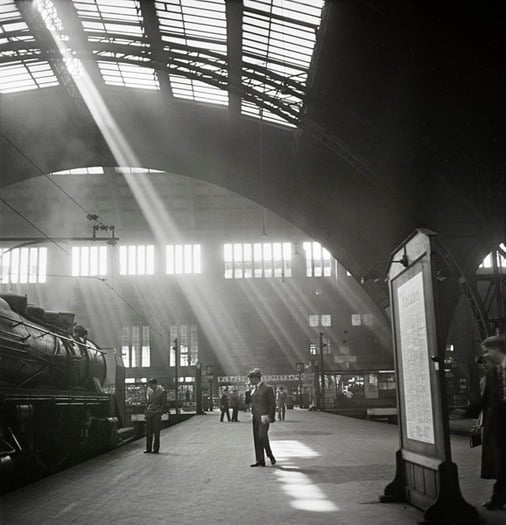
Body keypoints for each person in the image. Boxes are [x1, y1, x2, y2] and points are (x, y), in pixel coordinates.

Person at [479, 335, 506, 510]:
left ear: (497, 349)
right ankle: (497, 499)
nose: (486, 355)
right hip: (501, 425)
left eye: (487, 351)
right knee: (503, 462)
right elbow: (485, 400)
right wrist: (467, 410)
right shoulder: (493, 372)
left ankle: (497, 499)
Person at [247, 368, 276, 467]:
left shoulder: (267, 388)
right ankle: (260, 460)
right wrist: (248, 391)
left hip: (264, 417)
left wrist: (270, 417)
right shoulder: (253, 389)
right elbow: (249, 402)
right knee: (256, 438)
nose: (250, 381)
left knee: (262, 436)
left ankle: (270, 455)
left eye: (251, 379)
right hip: (255, 417)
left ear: (256, 378)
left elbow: (272, 404)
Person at [144, 378, 166, 454]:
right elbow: (148, 402)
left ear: (155, 384)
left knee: (156, 432)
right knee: (148, 432)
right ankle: (148, 448)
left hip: (156, 414)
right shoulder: (149, 392)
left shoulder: (162, 392)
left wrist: (159, 413)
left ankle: (156, 449)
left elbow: (163, 404)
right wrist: (146, 411)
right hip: (149, 414)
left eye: (151, 385)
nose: (150, 387)